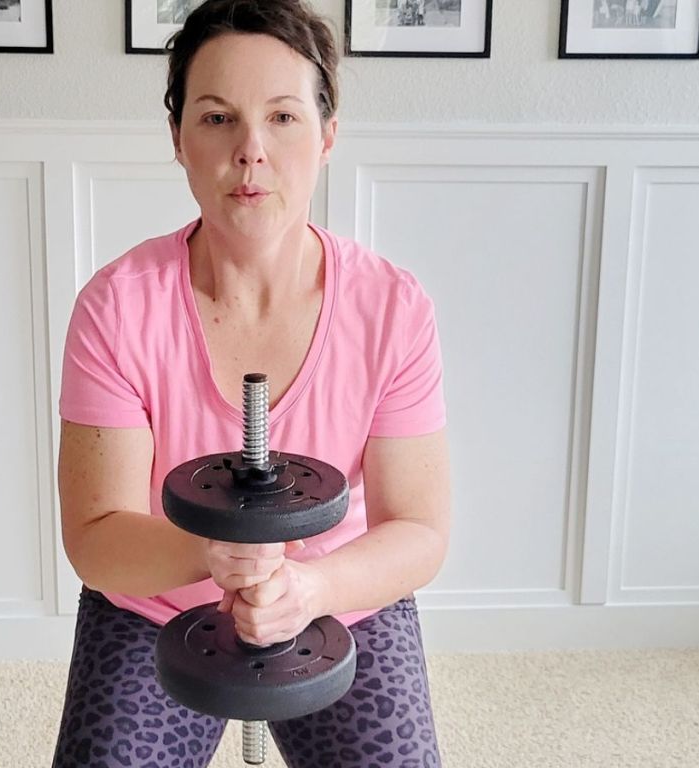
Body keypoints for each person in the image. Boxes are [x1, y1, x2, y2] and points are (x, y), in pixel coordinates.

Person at [52, 1, 452, 765]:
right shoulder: (116, 307)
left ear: (327, 135)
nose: (250, 151)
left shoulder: (393, 309)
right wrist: (211, 554)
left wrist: (309, 591)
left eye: (283, 118)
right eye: (216, 118)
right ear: (177, 137)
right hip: (156, 607)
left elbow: (420, 530)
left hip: (342, 603)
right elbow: (97, 537)